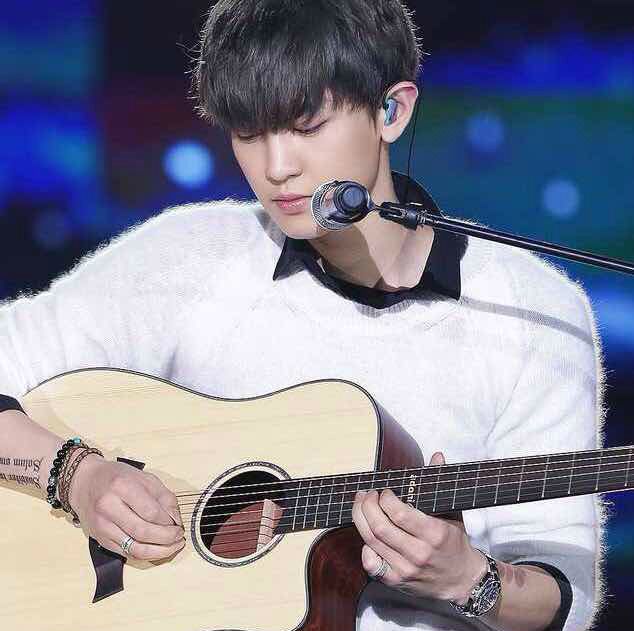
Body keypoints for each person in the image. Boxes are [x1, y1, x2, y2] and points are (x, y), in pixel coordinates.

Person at [0, 1, 606, 630]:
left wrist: (468, 580)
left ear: (391, 111)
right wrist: (74, 475)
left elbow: (566, 602)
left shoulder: (534, 312)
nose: (276, 168)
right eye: (249, 134)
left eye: (307, 127)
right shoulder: (187, 256)